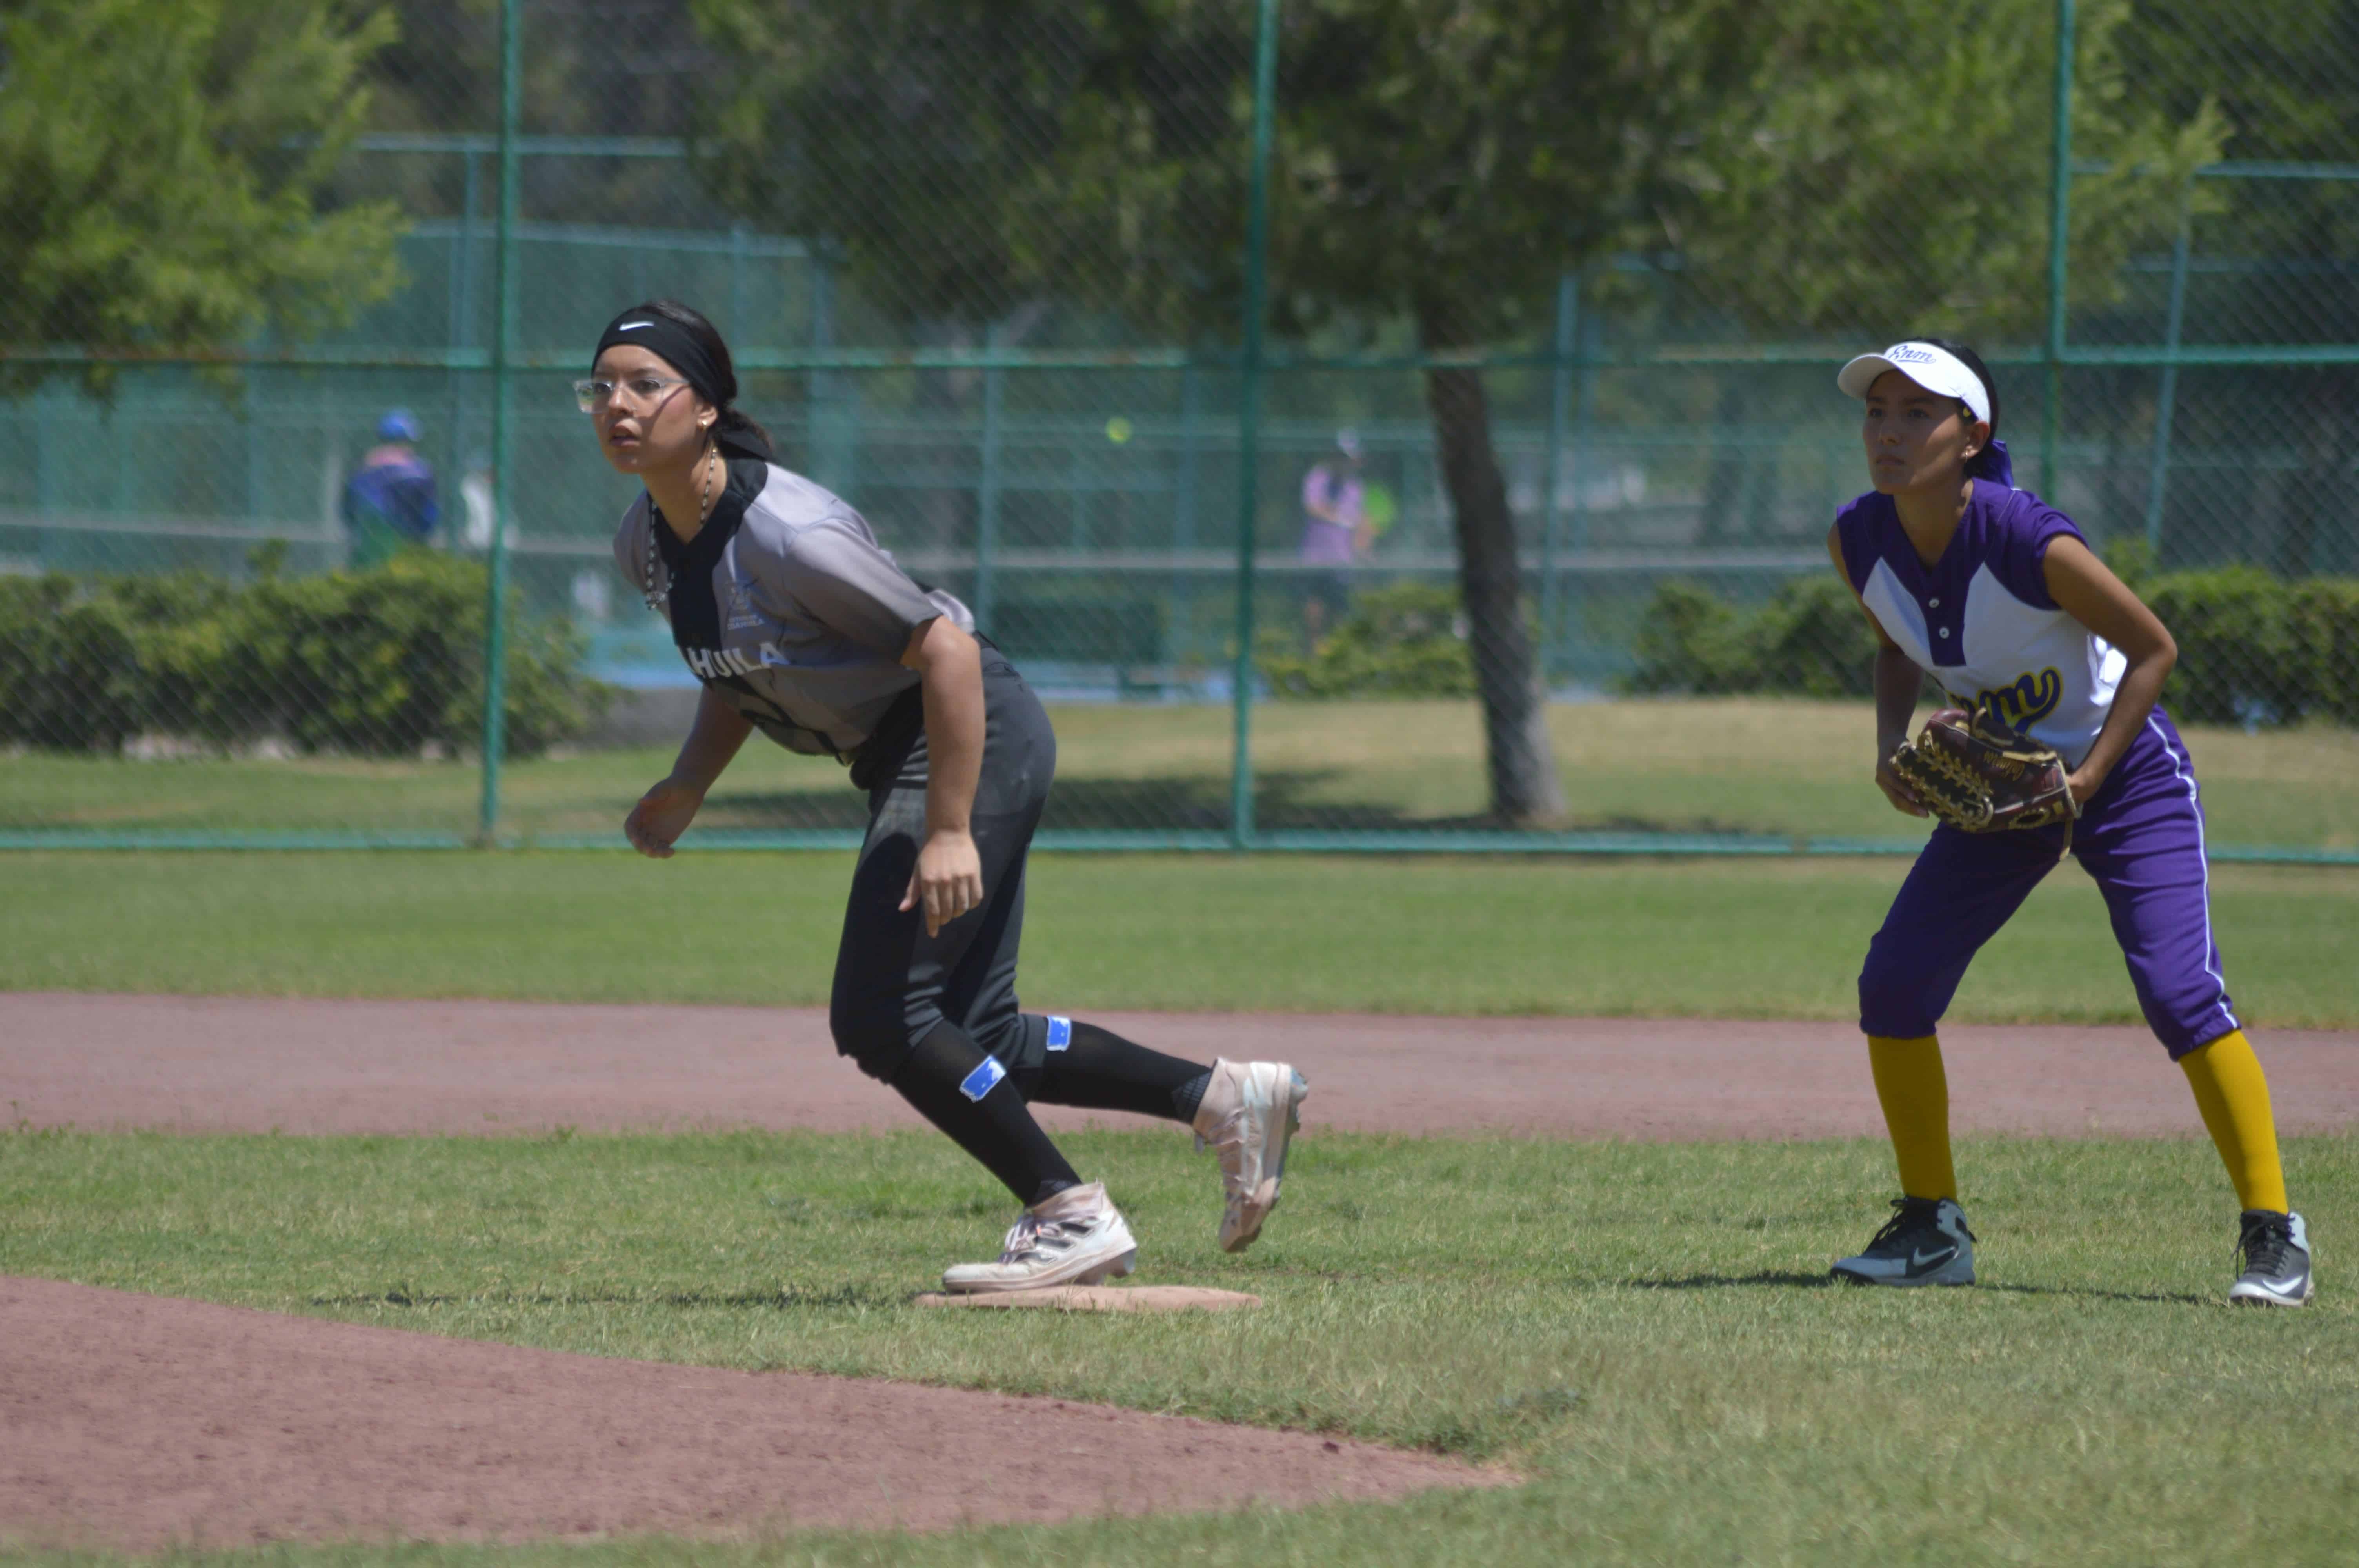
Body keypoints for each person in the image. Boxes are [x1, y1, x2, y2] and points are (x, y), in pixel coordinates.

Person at [587, 299, 1309, 1292]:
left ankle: (1066, 1211)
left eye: (644, 383)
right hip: (909, 752)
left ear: (706, 406)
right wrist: (685, 786)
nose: (617, 404)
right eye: (603, 386)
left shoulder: (787, 532)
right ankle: (1221, 1097)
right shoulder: (648, 539)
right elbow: (736, 672)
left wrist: (949, 828)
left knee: (883, 1014)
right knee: (978, 1028)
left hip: (968, 732)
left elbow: (946, 648)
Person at [1822, 338, 2311, 1306]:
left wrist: (2086, 779)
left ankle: (2273, 1233)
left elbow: (2152, 647)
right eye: (1878, 410)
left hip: (2121, 774)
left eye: (1920, 412)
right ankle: (1930, 1227)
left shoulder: (2025, 538)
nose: (1889, 430)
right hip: (2003, 786)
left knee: (2178, 992)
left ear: (1973, 437)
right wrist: (1888, 741)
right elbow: (1892, 639)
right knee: (1895, 981)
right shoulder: (1859, 538)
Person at [340, 409, 440, 568]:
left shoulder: (363, 471)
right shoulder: (419, 473)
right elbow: (429, 516)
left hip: (367, 545)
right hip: (409, 545)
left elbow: (348, 512)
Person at [1298, 431, 1371, 647]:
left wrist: (1363, 549)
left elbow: (1360, 523)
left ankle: (1338, 655)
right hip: (1315, 558)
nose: (1343, 462)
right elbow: (1313, 508)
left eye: (1347, 458)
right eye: (1339, 456)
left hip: (1342, 561)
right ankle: (1314, 655)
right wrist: (1341, 517)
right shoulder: (1317, 478)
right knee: (1314, 608)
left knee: (1341, 611)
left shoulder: (1357, 487)